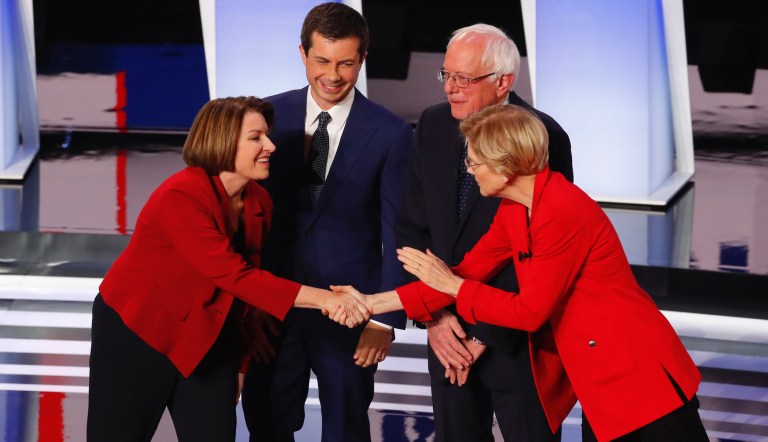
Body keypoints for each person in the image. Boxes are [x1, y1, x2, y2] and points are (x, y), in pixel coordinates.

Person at [337, 104, 709, 442]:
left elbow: (529, 311)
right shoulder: (515, 209)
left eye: (475, 162)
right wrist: (371, 302)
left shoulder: (562, 210)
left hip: (636, 373)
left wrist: (453, 284)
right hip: (597, 376)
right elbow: (470, 272)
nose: (469, 170)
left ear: (505, 166)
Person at [86, 96, 371, 442]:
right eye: (256, 138)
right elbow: (232, 274)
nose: (270, 145)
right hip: (141, 332)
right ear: (222, 141)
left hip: (208, 336)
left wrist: (240, 363)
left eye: (267, 135)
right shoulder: (181, 195)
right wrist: (327, 300)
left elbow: (244, 292)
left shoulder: (259, 200)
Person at [239, 3, 412, 442]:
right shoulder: (265, 119)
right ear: (302, 53)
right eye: (322, 61)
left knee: (346, 430)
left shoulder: (391, 133)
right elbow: (242, 216)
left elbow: (397, 229)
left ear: (362, 60)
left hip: (350, 316)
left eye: (346, 63)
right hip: (274, 310)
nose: (332, 75)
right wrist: (249, 304)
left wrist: (383, 320)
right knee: (267, 424)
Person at [395, 23, 572, 441]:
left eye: (464, 79)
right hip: (446, 333)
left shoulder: (542, 136)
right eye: (446, 75)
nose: (450, 89)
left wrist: (482, 334)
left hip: (514, 342)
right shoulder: (434, 124)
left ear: (503, 81)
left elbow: (538, 253)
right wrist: (434, 318)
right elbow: (411, 225)